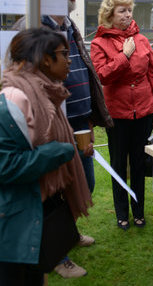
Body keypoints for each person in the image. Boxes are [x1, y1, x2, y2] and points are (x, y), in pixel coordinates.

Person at [11, 0, 112, 278]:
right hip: (50, 127)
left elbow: (82, 72)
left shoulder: (68, 24)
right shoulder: (31, 28)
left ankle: (67, 234)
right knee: (53, 190)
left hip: (79, 122)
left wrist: (90, 120)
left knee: (85, 184)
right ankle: (57, 254)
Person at [0, 28, 92, 285]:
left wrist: (70, 146)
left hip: (33, 213)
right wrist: (59, 152)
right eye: (64, 54)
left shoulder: (45, 92)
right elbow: (4, 165)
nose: (70, 59)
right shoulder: (14, 96)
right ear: (45, 59)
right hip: (14, 223)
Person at [90, 0, 153, 231]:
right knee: (119, 164)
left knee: (140, 164)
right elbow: (103, 75)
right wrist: (124, 55)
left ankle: (139, 210)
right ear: (110, 15)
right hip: (118, 114)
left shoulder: (142, 40)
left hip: (143, 111)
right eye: (122, 10)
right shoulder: (98, 43)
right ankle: (122, 212)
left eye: (129, 10)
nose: (127, 14)